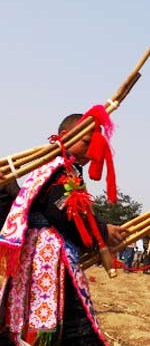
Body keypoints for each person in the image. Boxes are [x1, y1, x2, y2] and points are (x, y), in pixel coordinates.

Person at [0, 111, 126, 346]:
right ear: (66, 136)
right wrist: (101, 231)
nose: (91, 151)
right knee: (73, 324)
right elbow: (63, 212)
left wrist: (100, 231)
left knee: (65, 317)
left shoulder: (65, 168)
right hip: (46, 256)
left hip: (48, 253)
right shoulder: (56, 168)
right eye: (86, 142)